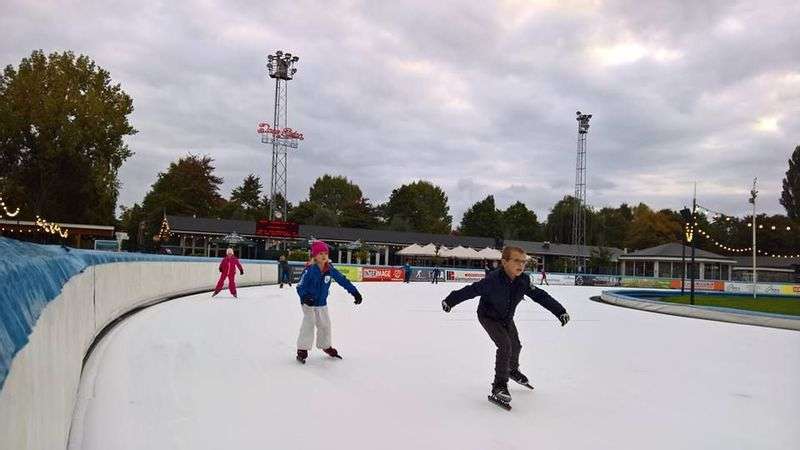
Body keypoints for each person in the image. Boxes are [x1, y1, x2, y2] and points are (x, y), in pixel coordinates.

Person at [441, 246, 570, 406]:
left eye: (523, 262)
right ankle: (499, 386)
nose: (521, 265)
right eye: (516, 260)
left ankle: (511, 369)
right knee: (505, 345)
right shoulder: (492, 280)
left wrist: (560, 311)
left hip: (506, 318)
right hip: (488, 317)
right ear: (504, 262)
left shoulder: (523, 280)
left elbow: (540, 296)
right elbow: (471, 290)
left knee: (516, 345)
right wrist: (450, 301)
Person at [295, 240, 363, 363]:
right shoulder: (309, 270)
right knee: (309, 324)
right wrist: (305, 297)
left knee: (325, 325)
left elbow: (342, 280)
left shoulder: (330, 269)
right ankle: (302, 349)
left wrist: (354, 292)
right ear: (314, 256)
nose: (324, 255)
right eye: (320, 253)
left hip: (321, 303)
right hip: (308, 302)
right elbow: (300, 286)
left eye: (325, 253)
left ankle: (325, 346)